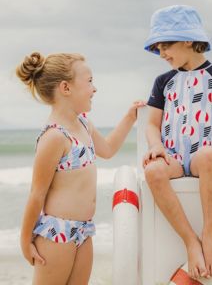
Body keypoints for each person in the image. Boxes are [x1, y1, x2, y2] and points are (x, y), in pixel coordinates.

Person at [142, 5, 212, 280]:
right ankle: (191, 241)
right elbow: (152, 123)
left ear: (188, 39)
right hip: (174, 159)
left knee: (209, 155)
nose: (162, 54)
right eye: (157, 49)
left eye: (166, 45)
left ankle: (210, 234)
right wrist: (156, 146)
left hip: (200, 157)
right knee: (153, 171)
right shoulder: (163, 81)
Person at [16, 51, 145, 285]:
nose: (94, 88)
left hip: (83, 231)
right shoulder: (55, 137)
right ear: (66, 88)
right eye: (89, 81)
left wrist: (130, 117)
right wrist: (25, 240)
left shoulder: (83, 123)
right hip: (57, 234)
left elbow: (107, 149)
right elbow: (37, 193)